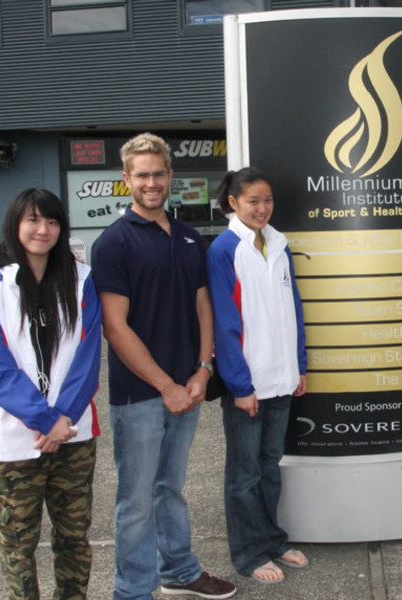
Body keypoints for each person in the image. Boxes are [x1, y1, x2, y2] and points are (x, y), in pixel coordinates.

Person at [91, 133, 236, 599]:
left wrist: (201, 369)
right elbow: (115, 327)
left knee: (170, 488)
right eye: (142, 175)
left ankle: (178, 570)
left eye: (158, 173)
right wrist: (165, 386)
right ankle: (133, 590)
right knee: (136, 501)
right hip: (140, 396)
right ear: (126, 179)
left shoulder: (191, 237)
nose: (151, 182)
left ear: (171, 177)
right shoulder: (114, 243)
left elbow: (203, 306)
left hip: (188, 386)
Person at [0, 188, 101, 599]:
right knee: (17, 543)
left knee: (74, 536)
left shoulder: (82, 282)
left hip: (74, 434)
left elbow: (88, 355)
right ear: (16, 225)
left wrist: (63, 418)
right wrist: (45, 419)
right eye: (33, 220)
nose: (43, 229)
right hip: (15, 438)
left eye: (52, 221)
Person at [207, 167, 309, 584]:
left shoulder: (279, 245)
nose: (262, 208)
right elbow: (224, 324)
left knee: (269, 466)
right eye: (253, 201)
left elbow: (294, 310)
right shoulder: (223, 250)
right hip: (248, 385)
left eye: (267, 200)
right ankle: (248, 552)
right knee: (244, 473)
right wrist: (239, 385)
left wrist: (299, 364)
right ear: (233, 203)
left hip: (282, 378)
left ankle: (272, 539)